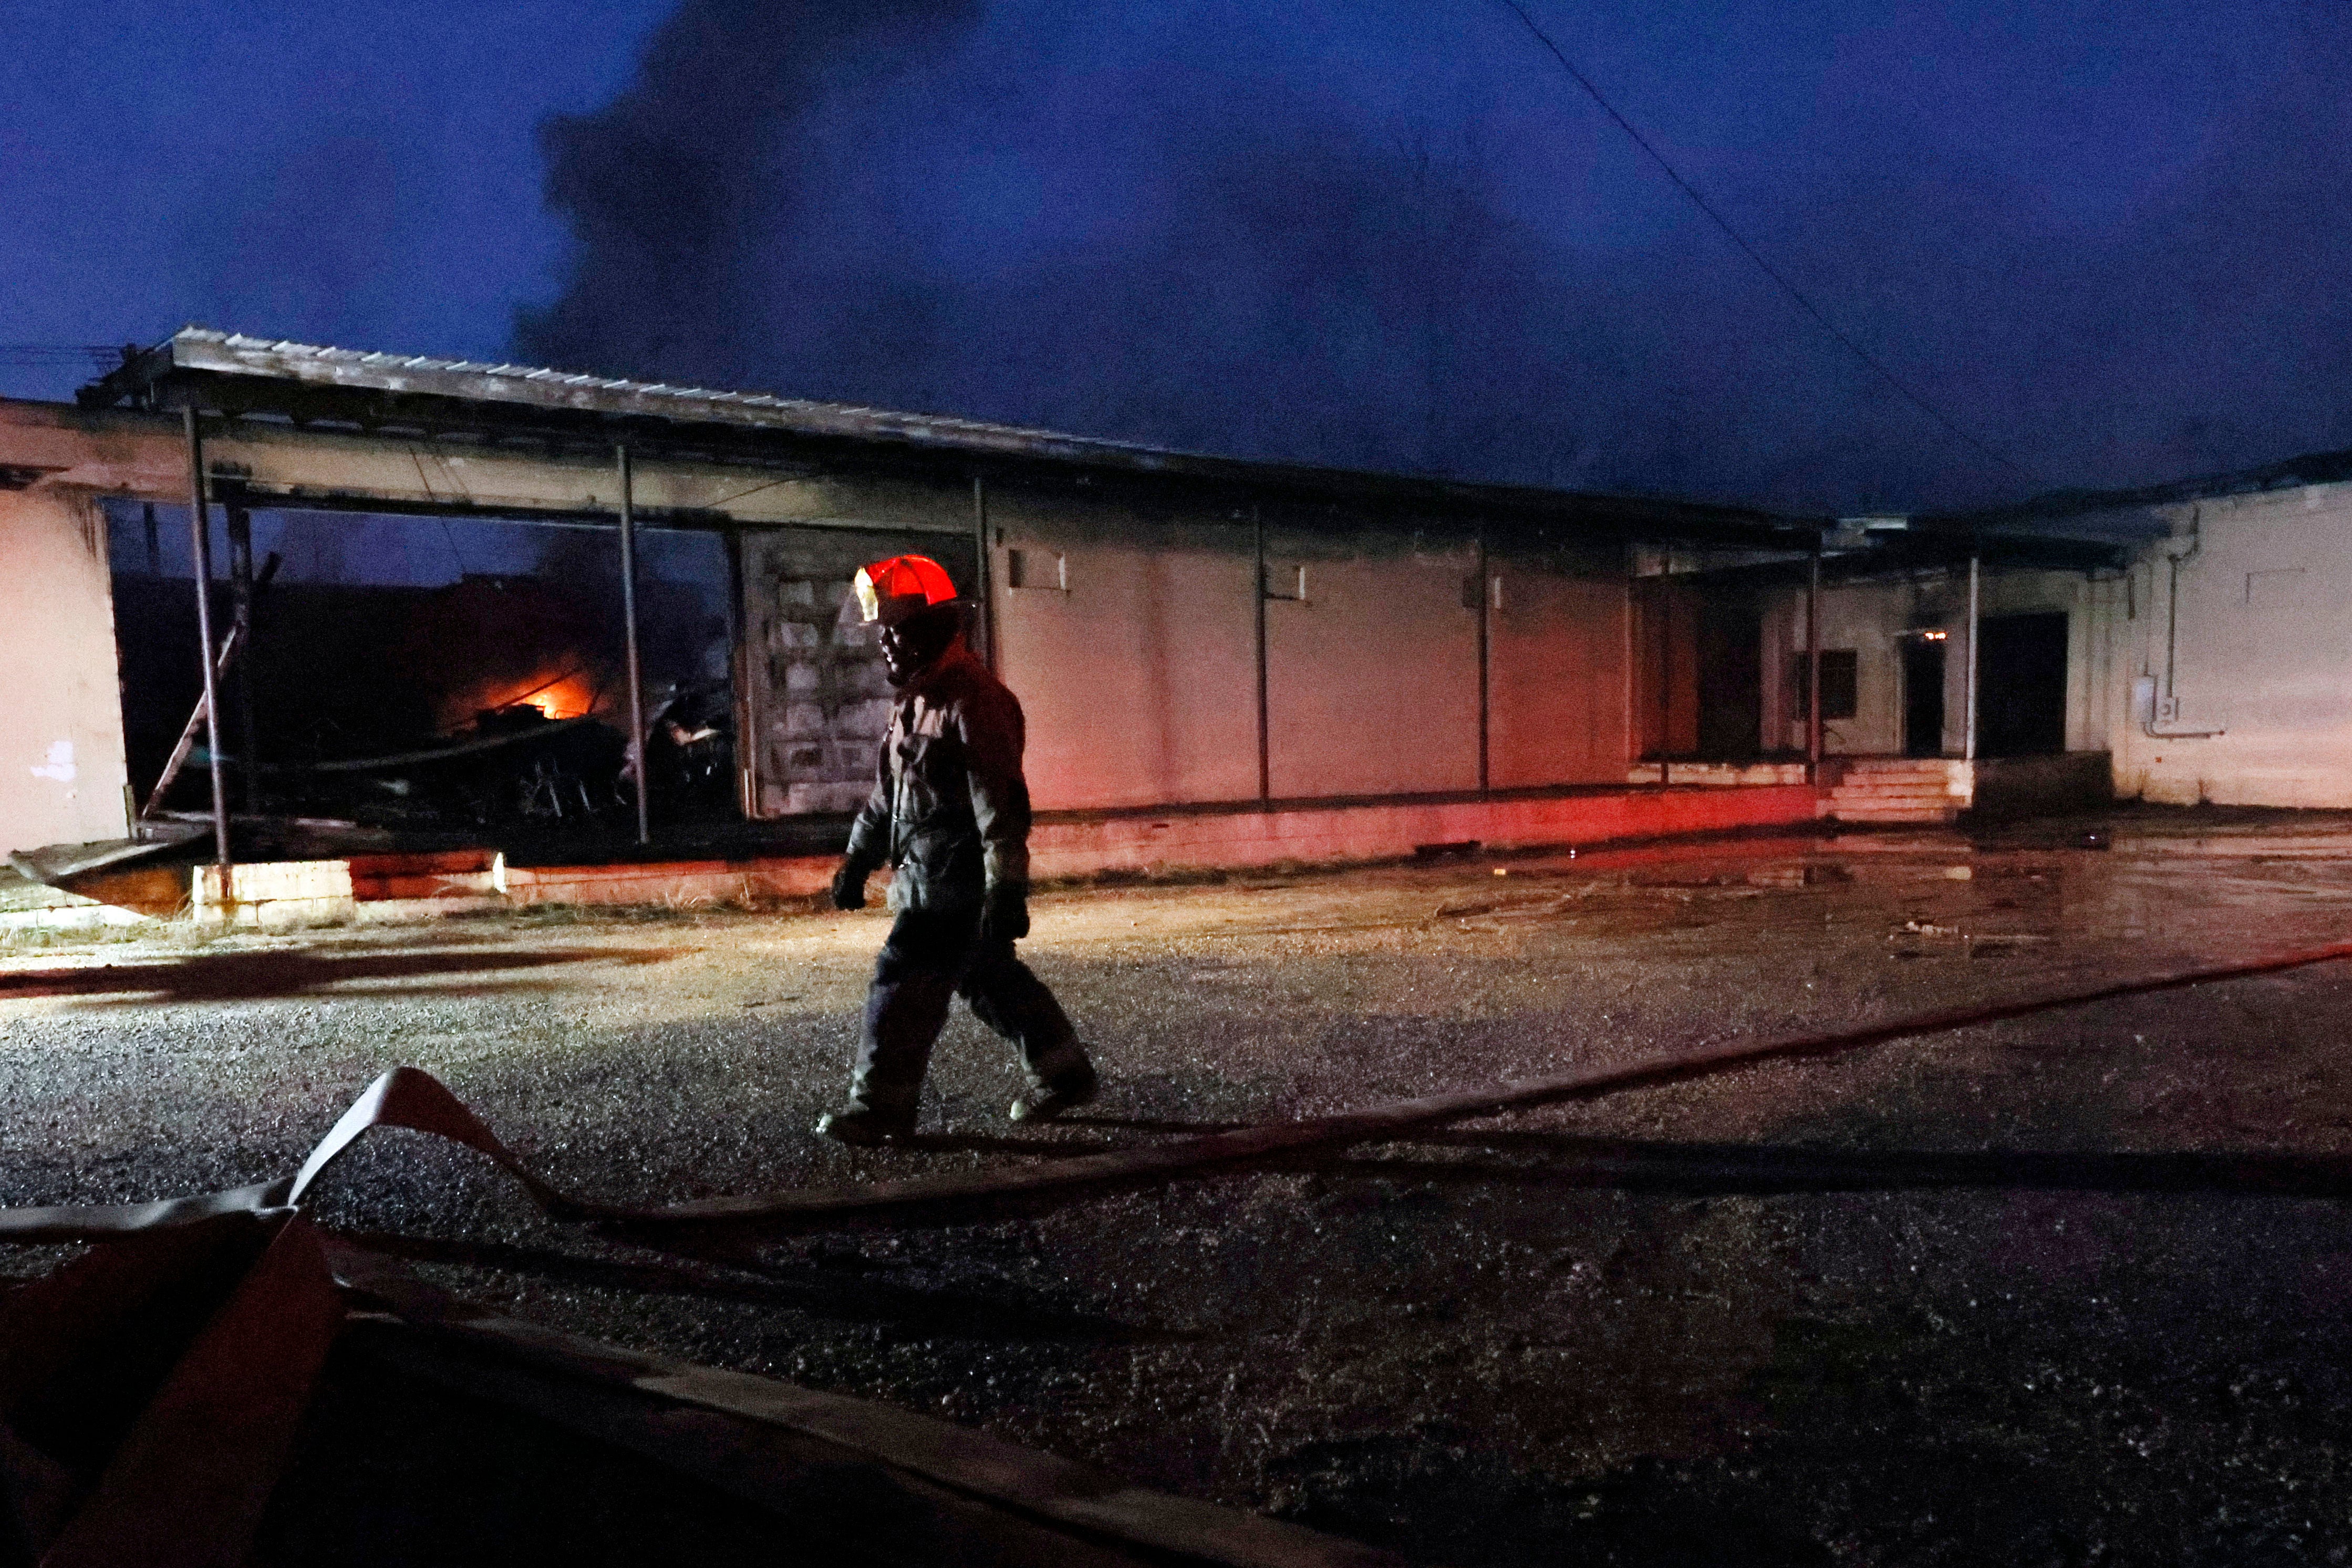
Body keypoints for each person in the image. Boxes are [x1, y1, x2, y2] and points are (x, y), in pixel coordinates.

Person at [815, 553, 1100, 1145]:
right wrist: (856, 860)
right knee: (990, 978)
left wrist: (1007, 889)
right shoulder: (915, 703)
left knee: (900, 982)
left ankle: (880, 1109)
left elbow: (1001, 805)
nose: (886, 646)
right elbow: (886, 799)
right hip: (925, 877)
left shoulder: (975, 700)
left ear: (928, 629)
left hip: (953, 885)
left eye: (895, 632)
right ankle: (1066, 1076)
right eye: (882, 634)